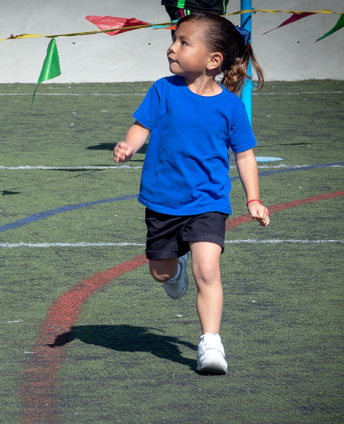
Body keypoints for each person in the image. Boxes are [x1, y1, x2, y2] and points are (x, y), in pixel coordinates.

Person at [113, 12, 269, 375]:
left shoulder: (231, 105)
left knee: (209, 270)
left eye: (184, 42)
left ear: (214, 60)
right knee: (162, 274)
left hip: (208, 202)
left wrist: (254, 199)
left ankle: (210, 343)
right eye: (175, 39)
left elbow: (244, 156)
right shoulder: (163, 89)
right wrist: (129, 145)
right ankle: (174, 268)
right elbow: (142, 126)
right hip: (162, 201)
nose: (172, 46)